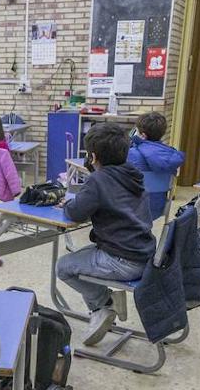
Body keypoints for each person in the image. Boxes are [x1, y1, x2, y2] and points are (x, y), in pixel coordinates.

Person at [57, 122, 156, 345]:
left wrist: (68, 203)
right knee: (84, 255)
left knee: (63, 267)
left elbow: (75, 213)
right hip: (145, 255)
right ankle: (103, 305)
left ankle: (103, 304)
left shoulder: (98, 180)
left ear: (93, 157)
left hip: (121, 260)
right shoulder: (134, 175)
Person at [127, 111, 184, 222]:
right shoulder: (170, 155)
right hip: (157, 208)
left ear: (142, 135)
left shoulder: (131, 154)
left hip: (131, 208)